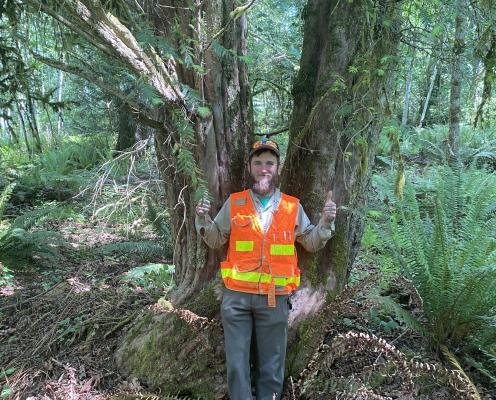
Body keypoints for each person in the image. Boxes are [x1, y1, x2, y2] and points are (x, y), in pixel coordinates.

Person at [195, 138, 336, 400]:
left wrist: (326, 222)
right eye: (258, 162)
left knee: (271, 366)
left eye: (269, 163)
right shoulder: (235, 203)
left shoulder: (292, 206)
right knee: (237, 365)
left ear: (277, 168)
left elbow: (311, 242)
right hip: (236, 298)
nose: (263, 168)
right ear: (250, 167)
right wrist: (202, 218)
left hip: (274, 298)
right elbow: (215, 239)